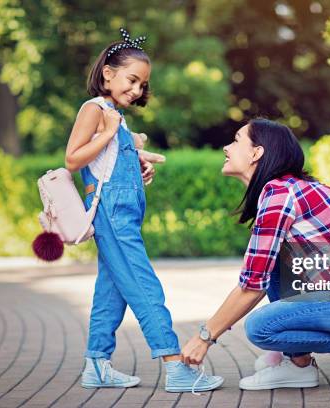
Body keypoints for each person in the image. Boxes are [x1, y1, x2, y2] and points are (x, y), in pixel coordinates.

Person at [181, 118, 330, 394]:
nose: (227, 147)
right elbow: (260, 275)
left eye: (236, 139)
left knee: (259, 327)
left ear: (256, 153)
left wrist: (205, 337)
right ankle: (298, 363)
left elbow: (250, 288)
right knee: (274, 264)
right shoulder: (287, 189)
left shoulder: (280, 195)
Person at [64, 28, 223, 393]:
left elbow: (111, 161)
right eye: (132, 80)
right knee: (143, 284)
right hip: (111, 213)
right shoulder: (95, 109)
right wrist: (107, 134)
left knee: (112, 289)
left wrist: (138, 163)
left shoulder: (116, 116)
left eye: (142, 85)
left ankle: (97, 365)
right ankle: (174, 364)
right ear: (108, 73)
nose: (137, 90)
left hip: (123, 212)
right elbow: (72, 159)